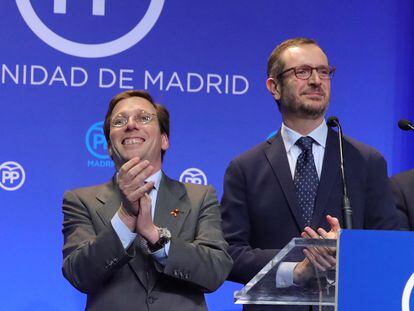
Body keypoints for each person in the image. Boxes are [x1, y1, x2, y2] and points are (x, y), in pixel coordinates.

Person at [221, 38, 400, 310]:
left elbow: (389, 247)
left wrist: (348, 252)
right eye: (302, 72)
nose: (317, 80)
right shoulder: (245, 168)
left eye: (324, 71)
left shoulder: (367, 162)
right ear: (274, 87)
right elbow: (228, 253)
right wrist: (295, 268)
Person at [62, 90, 232, 311]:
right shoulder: (81, 200)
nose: (131, 125)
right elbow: (79, 274)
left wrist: (155, 236)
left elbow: (215, 272)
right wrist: (125, 217)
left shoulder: (199, 197)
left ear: (164, 140)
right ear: (108, 148)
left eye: (144, 118)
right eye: (119, 121)